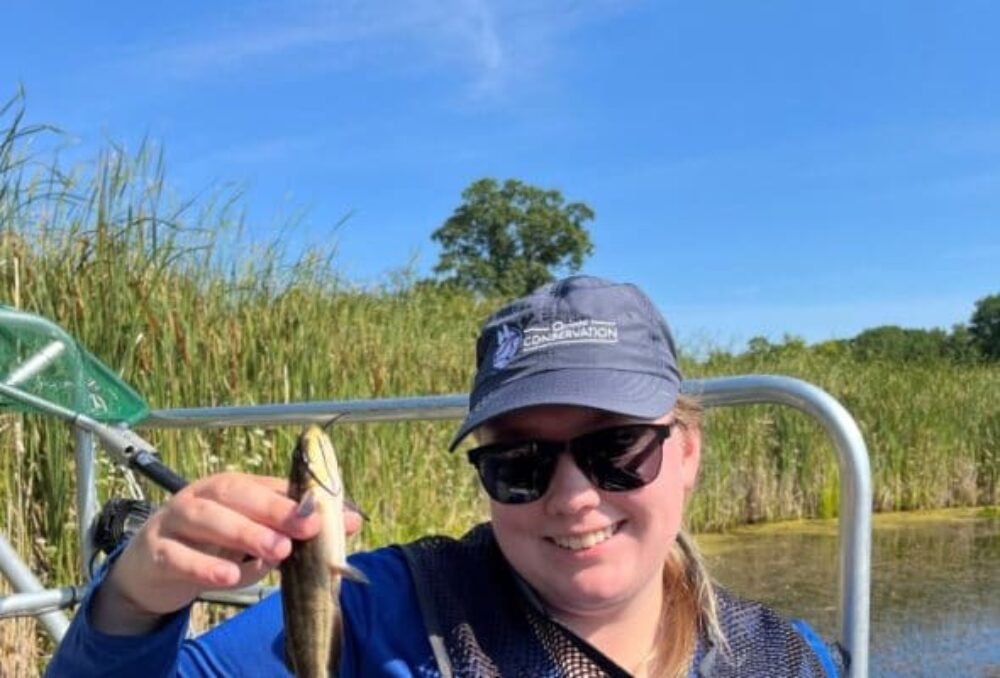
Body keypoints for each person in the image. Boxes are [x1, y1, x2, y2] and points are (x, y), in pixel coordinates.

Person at [47, 275, 845, 677]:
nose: (572, 497)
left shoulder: (786, 658)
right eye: (518, 464)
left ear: (689, 452)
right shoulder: (385, 616)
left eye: (617, 449)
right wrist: (133, 605)